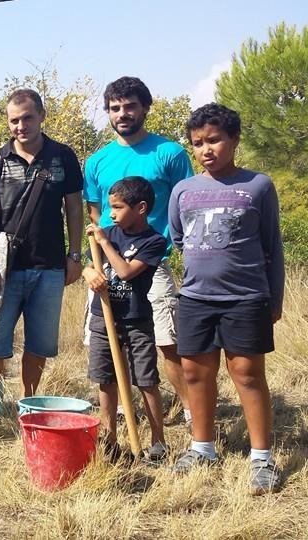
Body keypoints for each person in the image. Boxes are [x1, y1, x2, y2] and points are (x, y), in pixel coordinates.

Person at [169, 103, 284, 496]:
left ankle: (261, 458)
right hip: (197, 298)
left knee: (248, 376)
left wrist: (275, 298)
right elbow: (179, 239)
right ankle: (202, 448)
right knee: (195, 374)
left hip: (246, 297)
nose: (206, 149)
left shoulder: (258, 186)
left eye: (214, 139)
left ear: (233, 139)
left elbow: (273, 246)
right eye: (198, 143)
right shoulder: (183, 190)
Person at [0, 89, 83, 429]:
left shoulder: (63, 157)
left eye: (27, 118)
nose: (21, 126)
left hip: (49, 267)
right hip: (5, 268)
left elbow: (74, 207)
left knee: (39, 343)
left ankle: (27, 406)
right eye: (14, 120)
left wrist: (74, 255)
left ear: (41, 116)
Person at [84, 76, 195, 428]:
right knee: (106, 339)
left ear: (144, 107)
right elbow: (94, 212)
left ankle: (192, 411)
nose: (122, 113)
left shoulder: (170, 153)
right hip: (108, 266)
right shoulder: (98, 160)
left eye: (130, 106)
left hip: (151, 262)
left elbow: (186, 204)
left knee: (165, 339)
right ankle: (120, 414)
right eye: (115, 108)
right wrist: (96, 260)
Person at [81, 177, 168, 461]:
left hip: (136, 320)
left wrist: (105, 242)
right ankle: (110, 440)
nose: (112, 214)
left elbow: (127, 271)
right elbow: (87, 265)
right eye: (109, 208)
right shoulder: (108, 233)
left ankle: (157, 443)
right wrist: (88, 273)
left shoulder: (154, 241)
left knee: (145, 380)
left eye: (117, 207)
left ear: (141, 208)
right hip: (103, 319)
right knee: (106, 379)